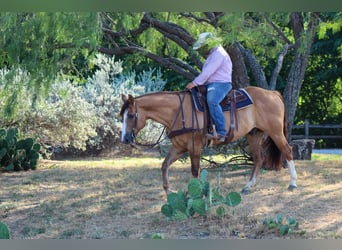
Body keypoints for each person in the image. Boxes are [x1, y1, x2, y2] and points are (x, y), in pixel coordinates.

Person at [186, 32, 233, 142]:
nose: (202, 49)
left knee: (212, 101)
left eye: (203, 46)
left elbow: (208, 72)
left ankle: (221, 131)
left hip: (221, 84)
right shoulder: (213, 54)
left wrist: (195, 83)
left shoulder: (219, 54)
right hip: (211, 84)